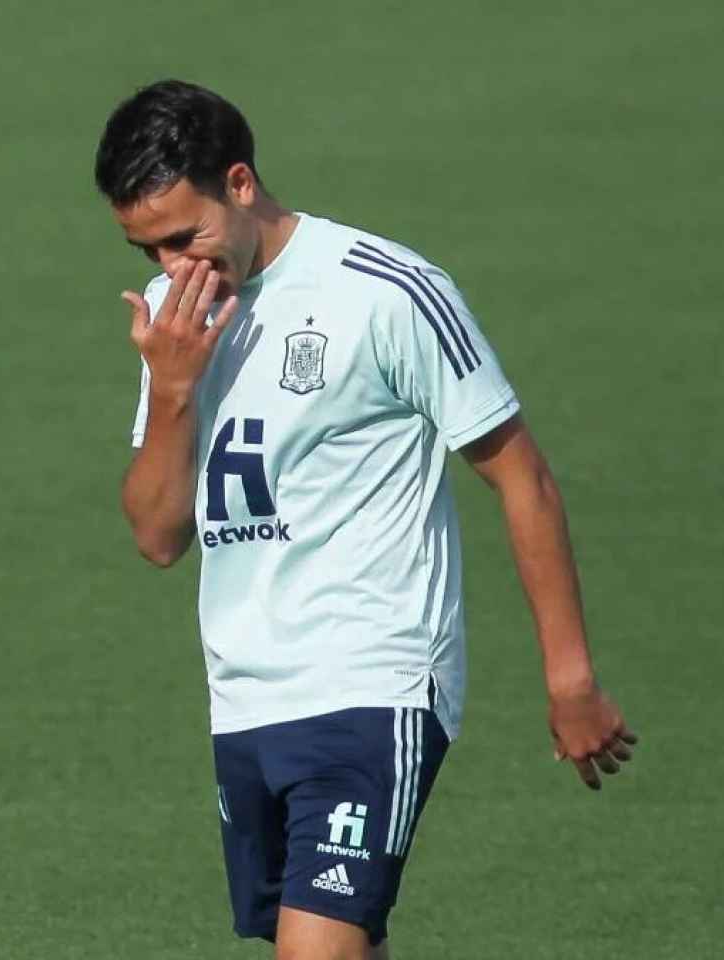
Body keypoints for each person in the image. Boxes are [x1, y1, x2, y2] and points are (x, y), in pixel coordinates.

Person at [94, 79, 636, 959]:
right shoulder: (172, 322)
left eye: (182, 237)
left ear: (239, 183)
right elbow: (158, 537)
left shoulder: (388, 291)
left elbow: (522, 476)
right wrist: (173, 390)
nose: (170, 270)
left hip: (372, 679)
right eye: (145, 249)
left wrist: (570, 680)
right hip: (243, 695)